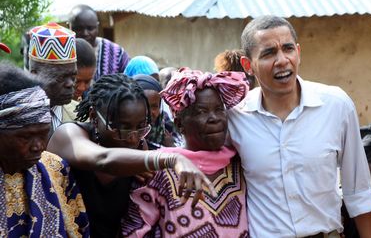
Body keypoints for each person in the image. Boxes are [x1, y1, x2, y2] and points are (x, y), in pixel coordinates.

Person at [227, 15, 371, 237]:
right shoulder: (236, 117)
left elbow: (359, 190)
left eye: (288, 49)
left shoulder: (336, 105)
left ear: (298, 52)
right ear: (248, 65)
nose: (282, 60)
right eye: (269, 53)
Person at [47, 73, 216, 238]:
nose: (133, 138)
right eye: (122, 128)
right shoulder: (68, 135)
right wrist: (173, 158)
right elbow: (103, 159)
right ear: (94, 117)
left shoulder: (139, 150)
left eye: (141, 127)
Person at [122, 68, 249, 237]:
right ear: (179, 123)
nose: (214, 118)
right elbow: (133, 232)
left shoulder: (241, 164)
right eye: (202, 112)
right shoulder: (157, 172)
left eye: (219, 110)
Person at [0, 62, 89, 237]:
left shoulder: (56, 167)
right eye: (25, 137)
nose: (38, 146)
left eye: (43, 134)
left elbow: (81, 228)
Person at [28, 22, 77, 131]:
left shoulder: (81, 116)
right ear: (34, 75)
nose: (70, 84)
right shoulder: (14, 119)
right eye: (60, 78)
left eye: (73, 76)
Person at [68, 4, 130, 81]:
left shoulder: (116, 53)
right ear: (69, 27)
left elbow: (129, 83)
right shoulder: (63, 53)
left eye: (90, 28)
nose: (85, 33)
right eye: (79, 28)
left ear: (97, 27)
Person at [133, 74, 183, 150]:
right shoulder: (127, 135)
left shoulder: (167, 128)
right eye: (145, 106)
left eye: (155, 106)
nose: (150, 112)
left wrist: (171, 146)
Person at [63, 38, 96, 122]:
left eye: (87, 81)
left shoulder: (91, 101)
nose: (82, 88)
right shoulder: (53, 108)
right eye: (76, 81)